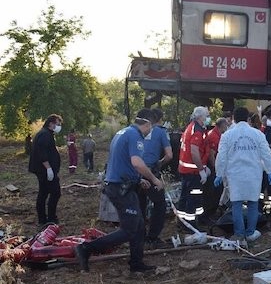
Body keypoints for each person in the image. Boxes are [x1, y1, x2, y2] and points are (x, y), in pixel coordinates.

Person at [75, 109, 164, 272]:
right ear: (147, 124)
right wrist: (154, 179)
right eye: (152, 128)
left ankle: (136, 263)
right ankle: (87, 248)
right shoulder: (135, 136)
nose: (151, 132)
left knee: (138, 225)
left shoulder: (122, 133)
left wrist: (139, 180)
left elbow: (122, 162)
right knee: (129, 229)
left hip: (122, 185)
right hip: (119, 189)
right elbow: (137, 163)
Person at [215, 107, 271, 245]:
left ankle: (239, 234)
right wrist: (270, 171)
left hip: (235, 174)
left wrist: (219, 174)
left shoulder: (227, 135)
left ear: (234, 118)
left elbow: (221, 157)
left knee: (236, 204)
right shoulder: (258, 134)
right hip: (253, 173)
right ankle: (251, 233)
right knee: (253, 203)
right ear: (248, 118)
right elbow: (266, 154)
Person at [138, 108, 173, 247]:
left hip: (135, 171)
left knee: (140, 204)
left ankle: (139, 235)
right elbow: (169, 155)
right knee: (159, 204)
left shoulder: (134, 130)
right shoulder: (161, 132)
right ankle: (152, 237)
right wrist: (160, 163)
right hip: (150, 171)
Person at [177, 106, 212, 227]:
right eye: (207, 115)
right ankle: (190, 223)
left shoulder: (191, 127)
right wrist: (201, 169)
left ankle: (182, 222)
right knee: (193, 196)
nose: (208, 118)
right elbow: (194, 152)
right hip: (192, 171)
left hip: (187, 169)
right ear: (200, 117)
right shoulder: (197, 130)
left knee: (185, 196)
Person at [28, 114, 63, 225]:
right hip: (44, 170)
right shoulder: (44, 135)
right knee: (55, 192)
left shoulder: (47, 134)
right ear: (51, 123)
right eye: (58, 124)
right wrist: (48, 168)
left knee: (44, 192)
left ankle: (44, 219)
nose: (59, 126)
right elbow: (42, 153)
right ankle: (50, 218)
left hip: (44, 169)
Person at [204, 117, 229, 221]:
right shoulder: (214, 136)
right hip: (213, 166)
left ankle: (213, 211)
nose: (227, 128)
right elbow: (212, 154)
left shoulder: (216, 134)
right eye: (226, 126)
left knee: (217, 191)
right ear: (222, 126)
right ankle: (210, 213)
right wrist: (217, 169)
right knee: (214, 191)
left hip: (215, 166)